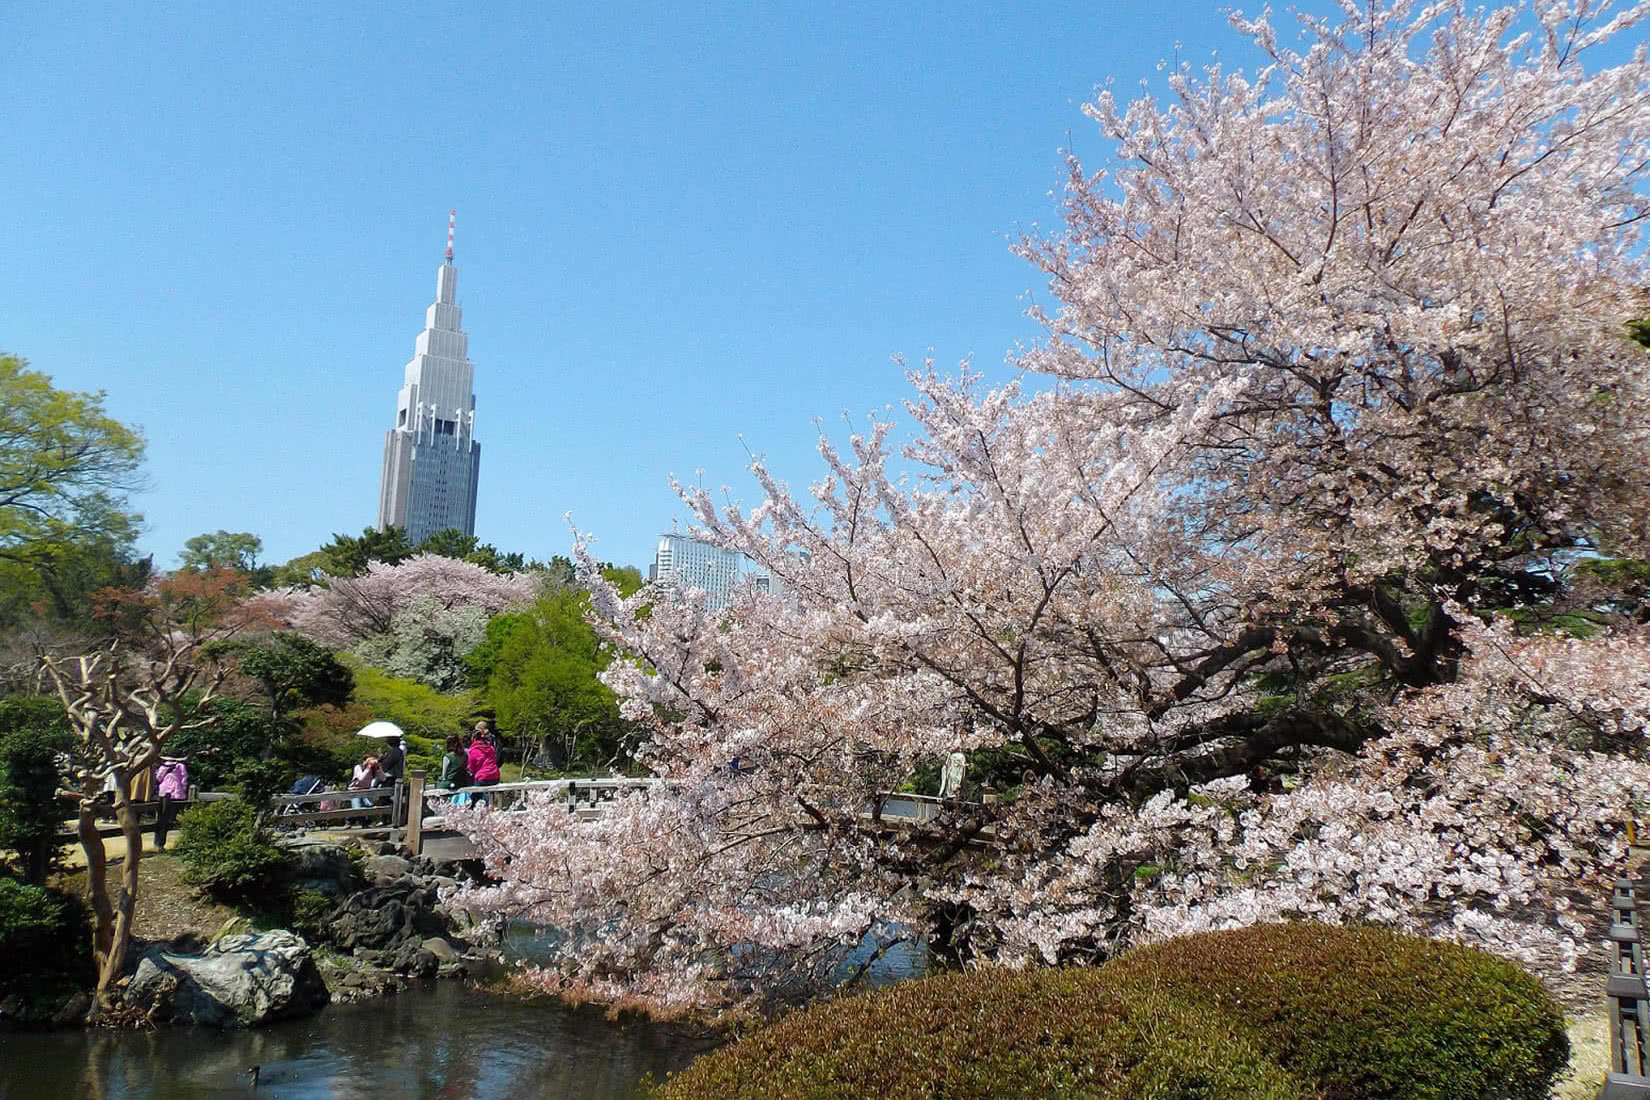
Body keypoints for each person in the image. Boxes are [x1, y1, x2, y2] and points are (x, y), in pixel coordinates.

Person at [153, 756, 189, 851]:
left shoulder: (163, 767)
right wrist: (184, 790)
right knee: (173, 817)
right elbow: (184, 778)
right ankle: (163, 840)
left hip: (164, 792)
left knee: (162, 817)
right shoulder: (180, 766)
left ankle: (158, 841)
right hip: (177, 793)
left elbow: (158, 778)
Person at [466, 728, 500, 805]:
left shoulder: (473, 750)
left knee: (475, 799)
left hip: (483, 777)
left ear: (473, 738)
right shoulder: (490, 748)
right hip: (495, 775)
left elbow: (471, 767)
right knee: (488, 796)